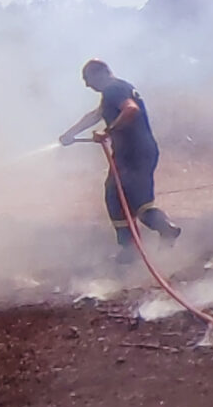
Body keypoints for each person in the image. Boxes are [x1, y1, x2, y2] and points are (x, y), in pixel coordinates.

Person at [60, 59, 181, 258]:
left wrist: (108, 132)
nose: (87, 85)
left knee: (124, 200)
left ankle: (136, 246)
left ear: (100, 73)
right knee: (125, 198)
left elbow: (131, 109)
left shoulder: (113, 89)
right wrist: (70, 134)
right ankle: (152, 236)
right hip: (138, 153)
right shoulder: (117, 89)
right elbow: (96, 114)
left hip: (132, 154)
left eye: (87, 79)